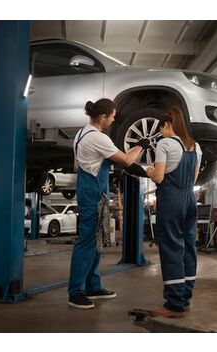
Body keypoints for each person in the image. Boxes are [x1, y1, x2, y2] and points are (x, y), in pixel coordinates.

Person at [68, 98, 150, 309]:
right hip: (93, 193)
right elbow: (126, 160)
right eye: (112, 117)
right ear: (103, 117)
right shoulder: (97, 138)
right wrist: (141, 145)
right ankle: (75, 292)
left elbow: (79, 166)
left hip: (96, 190)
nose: (114, 121)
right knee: (87, 241)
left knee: (98, 241)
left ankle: (93, 286)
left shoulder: (80, 134)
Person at [146, 106, 203, 318]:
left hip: (171, 199)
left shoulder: (165, 144)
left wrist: (150, 170)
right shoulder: (195, 147)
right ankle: (185, 297)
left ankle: (174, 303)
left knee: (171, 248)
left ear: (168, 125)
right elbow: (195, 178)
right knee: (188, 247)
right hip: (189, 199)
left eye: (161, 128)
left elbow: (159, 177)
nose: (160, 134)